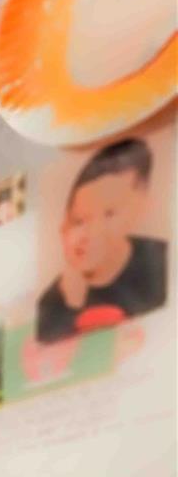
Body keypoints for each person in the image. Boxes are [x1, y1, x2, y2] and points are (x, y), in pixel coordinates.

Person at [36, 137, 169, 343]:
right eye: (79, 221)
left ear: (140, 209)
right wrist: (72, 304)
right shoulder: (51, 304)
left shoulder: (164, 264)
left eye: (109, 215)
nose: (90, 233)